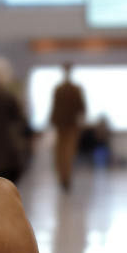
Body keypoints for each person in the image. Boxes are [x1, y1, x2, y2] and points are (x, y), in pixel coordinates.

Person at [50, 63, 85, 191]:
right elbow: (82, 108)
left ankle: (64, 178)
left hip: (65, 125)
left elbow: (54, 109)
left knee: (63, 153)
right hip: (67, 125)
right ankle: (65, 178)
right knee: (66, 152)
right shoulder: (73, 89)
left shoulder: (61, 89)